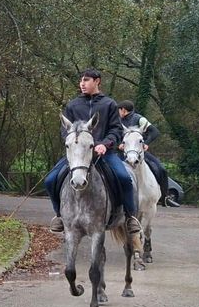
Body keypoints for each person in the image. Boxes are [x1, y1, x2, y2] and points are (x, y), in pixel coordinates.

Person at [44, 68, 141, 235]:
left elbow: (116, 130)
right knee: (50, 180)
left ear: (97, 81)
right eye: (81, 80)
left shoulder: (109, 104)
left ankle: (131, 217)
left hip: (105, 154)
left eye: (86, 80)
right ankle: (59, 216)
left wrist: (104, 144)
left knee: (125, 178)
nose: (82, 83)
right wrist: (73, 142)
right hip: (78, 155)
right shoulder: (73, 105)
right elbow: (64, 130)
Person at [117, 100, 175, 206]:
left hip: (138, 152)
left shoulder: (140, 119)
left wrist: (146, 143)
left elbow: (155, 131)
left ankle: (165, 197)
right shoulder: (117, 121)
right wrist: (118, 144)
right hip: (121, 153)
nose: (118, 112)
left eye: (119, 110)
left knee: (161, 169)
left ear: (123, 110)